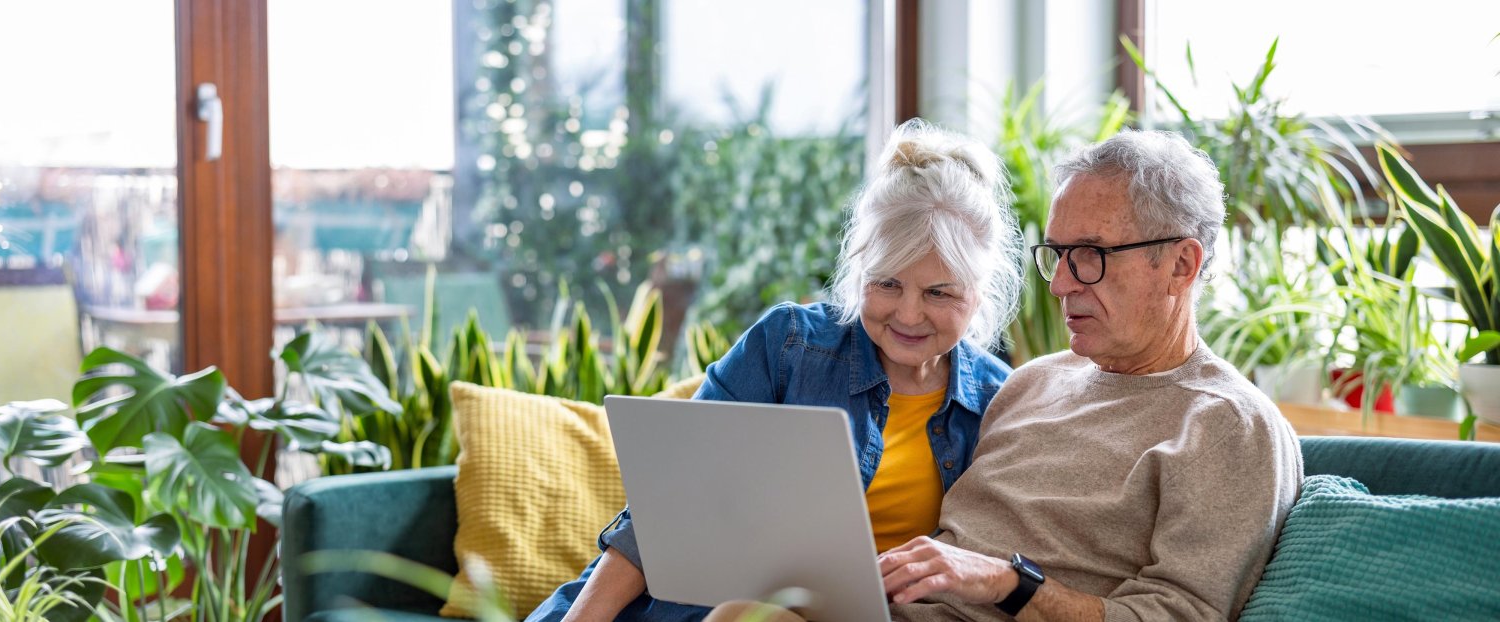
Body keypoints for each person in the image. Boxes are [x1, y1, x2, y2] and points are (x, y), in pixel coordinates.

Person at [710, 129, 1303, 622]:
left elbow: (1182, 614)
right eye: (1058, 254)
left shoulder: (1228, 424)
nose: (1061, 284)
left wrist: (1009, 583)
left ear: (1180, 264)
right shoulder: (1029, 385)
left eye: (1090, 255)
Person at [525, 119, 1026, 622]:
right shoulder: (789, 345)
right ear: (859, 271)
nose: (909, 315)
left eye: (938, 292)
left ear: (979, 291)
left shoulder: (1001, 402)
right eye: (887, 284)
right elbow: (667, 504)